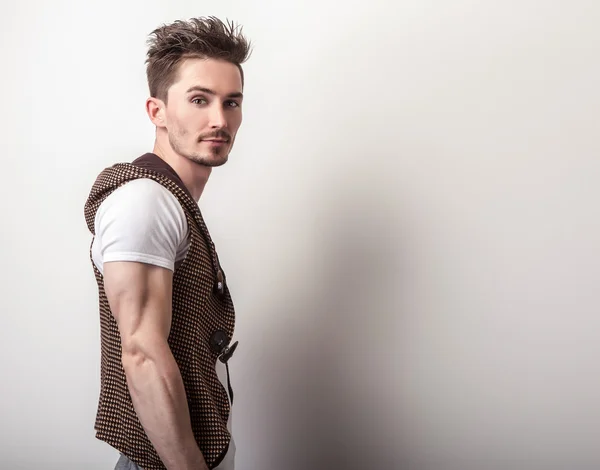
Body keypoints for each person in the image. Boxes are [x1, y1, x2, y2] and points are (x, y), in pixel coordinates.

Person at [83, 17, 252, 470]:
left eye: (231, 102)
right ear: (156, 111)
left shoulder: (169, 200)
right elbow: (140, 352)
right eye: (199, 100)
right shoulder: (144, 201)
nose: (219, 120)